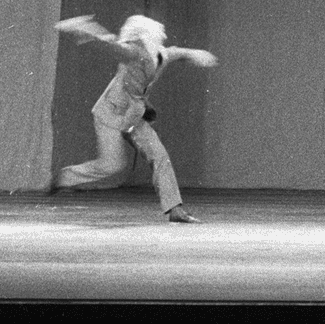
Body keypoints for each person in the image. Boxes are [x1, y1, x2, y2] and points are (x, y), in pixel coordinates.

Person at [53, 13, 218, 223]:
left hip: (134, 116)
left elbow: (177, 52)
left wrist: (196, 54)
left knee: (159, 155)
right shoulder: (135, 52)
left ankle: (174, 209)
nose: (162, 36)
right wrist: (86, 29)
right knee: (111, 165)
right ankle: (64, 178)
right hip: (111, 113)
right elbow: (111, 45)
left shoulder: (160, 54)